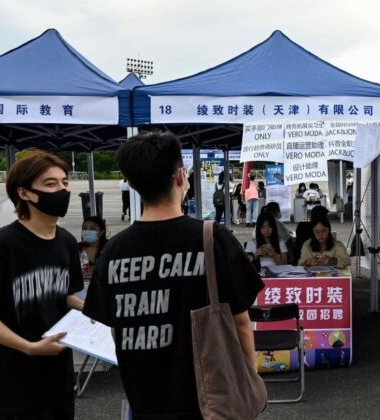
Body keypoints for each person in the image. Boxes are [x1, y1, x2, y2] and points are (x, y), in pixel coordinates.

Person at [82, 131, 264, 419]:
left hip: (143, 401)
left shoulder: (113, 251)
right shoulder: (211, 238)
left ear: (130, 184)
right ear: (181, 177)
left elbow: (116, 330)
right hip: (210, 403)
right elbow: (241, 321)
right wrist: (249, 382)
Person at [0, 151, 84, 419]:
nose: (61, 190)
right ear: (24, 193)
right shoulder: (0, 247)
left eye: (64, 182)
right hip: (13, 383)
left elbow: (64, 294)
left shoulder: (67, 242)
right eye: (50, 184)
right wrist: (30, 347)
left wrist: (91, 309)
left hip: (58, 376)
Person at [78, 215, 108, 297]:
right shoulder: (77, 249)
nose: (88, 231)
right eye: (84, 228)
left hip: (103, 293)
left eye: (92, 228)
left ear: (101, 232)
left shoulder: (108, 248)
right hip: (81, 294)